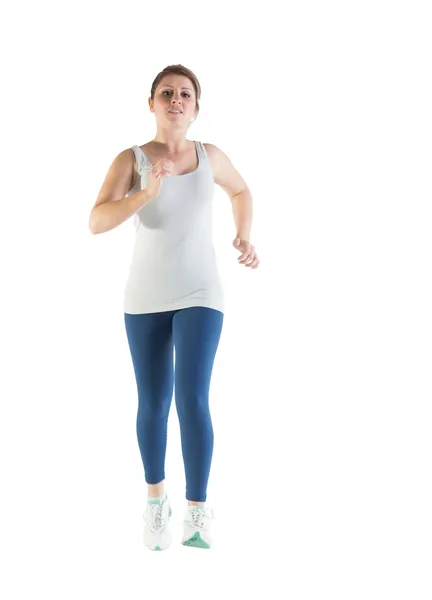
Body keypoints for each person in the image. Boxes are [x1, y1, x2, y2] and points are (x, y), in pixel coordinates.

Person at [89, 64, 260, 551]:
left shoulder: (211, 156)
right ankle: (155, 501)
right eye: (167, 93)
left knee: (192, 397)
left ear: (196, 107)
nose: (176, 100)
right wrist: (146, 192)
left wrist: (244, 235)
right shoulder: (132, 159)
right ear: (152, 104)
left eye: (186, 94)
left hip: (200, 293)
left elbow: (241, 190)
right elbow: (97, 221)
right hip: (144, 297)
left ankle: (198, 513)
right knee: (153, 403)